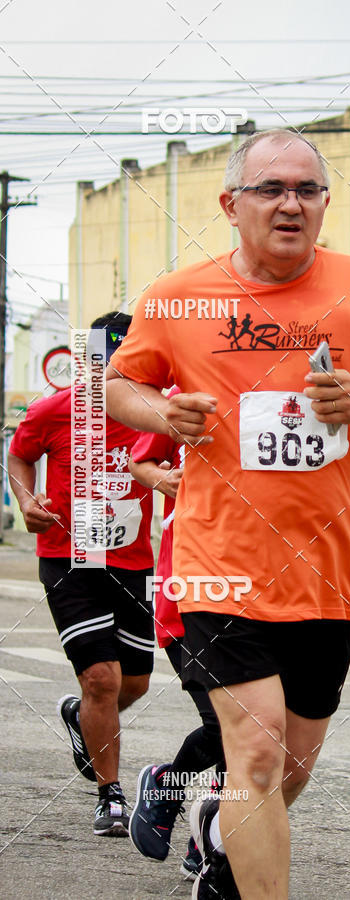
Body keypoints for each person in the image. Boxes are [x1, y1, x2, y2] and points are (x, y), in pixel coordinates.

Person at [105, 129, 350, 899]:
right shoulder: (177, 296)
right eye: (271, 189)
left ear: (324, 204)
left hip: (326, 573)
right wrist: (163, 414)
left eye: (307, 190)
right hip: (217, 566)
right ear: (231, 204)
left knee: (290, 770)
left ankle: (218, 837)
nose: (291, 203)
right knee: (253, 757)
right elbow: (120, 387)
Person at [7, 312, 155, 837]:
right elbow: (20, 455)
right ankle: (110, 795)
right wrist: (26, 501)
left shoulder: (156, 411)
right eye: (104, 362)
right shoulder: (56, 410)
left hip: (134, 562)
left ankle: (79, 717)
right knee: (102, 678)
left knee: (132, 682)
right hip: (69, 557)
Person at [127, 390, 225, 879]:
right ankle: (188, 810)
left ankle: (206, 834)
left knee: (260, 734)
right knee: (231, 726)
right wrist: (170, 480)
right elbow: (141, 461)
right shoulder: (184, 393)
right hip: (191, 591)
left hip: (271, 594)